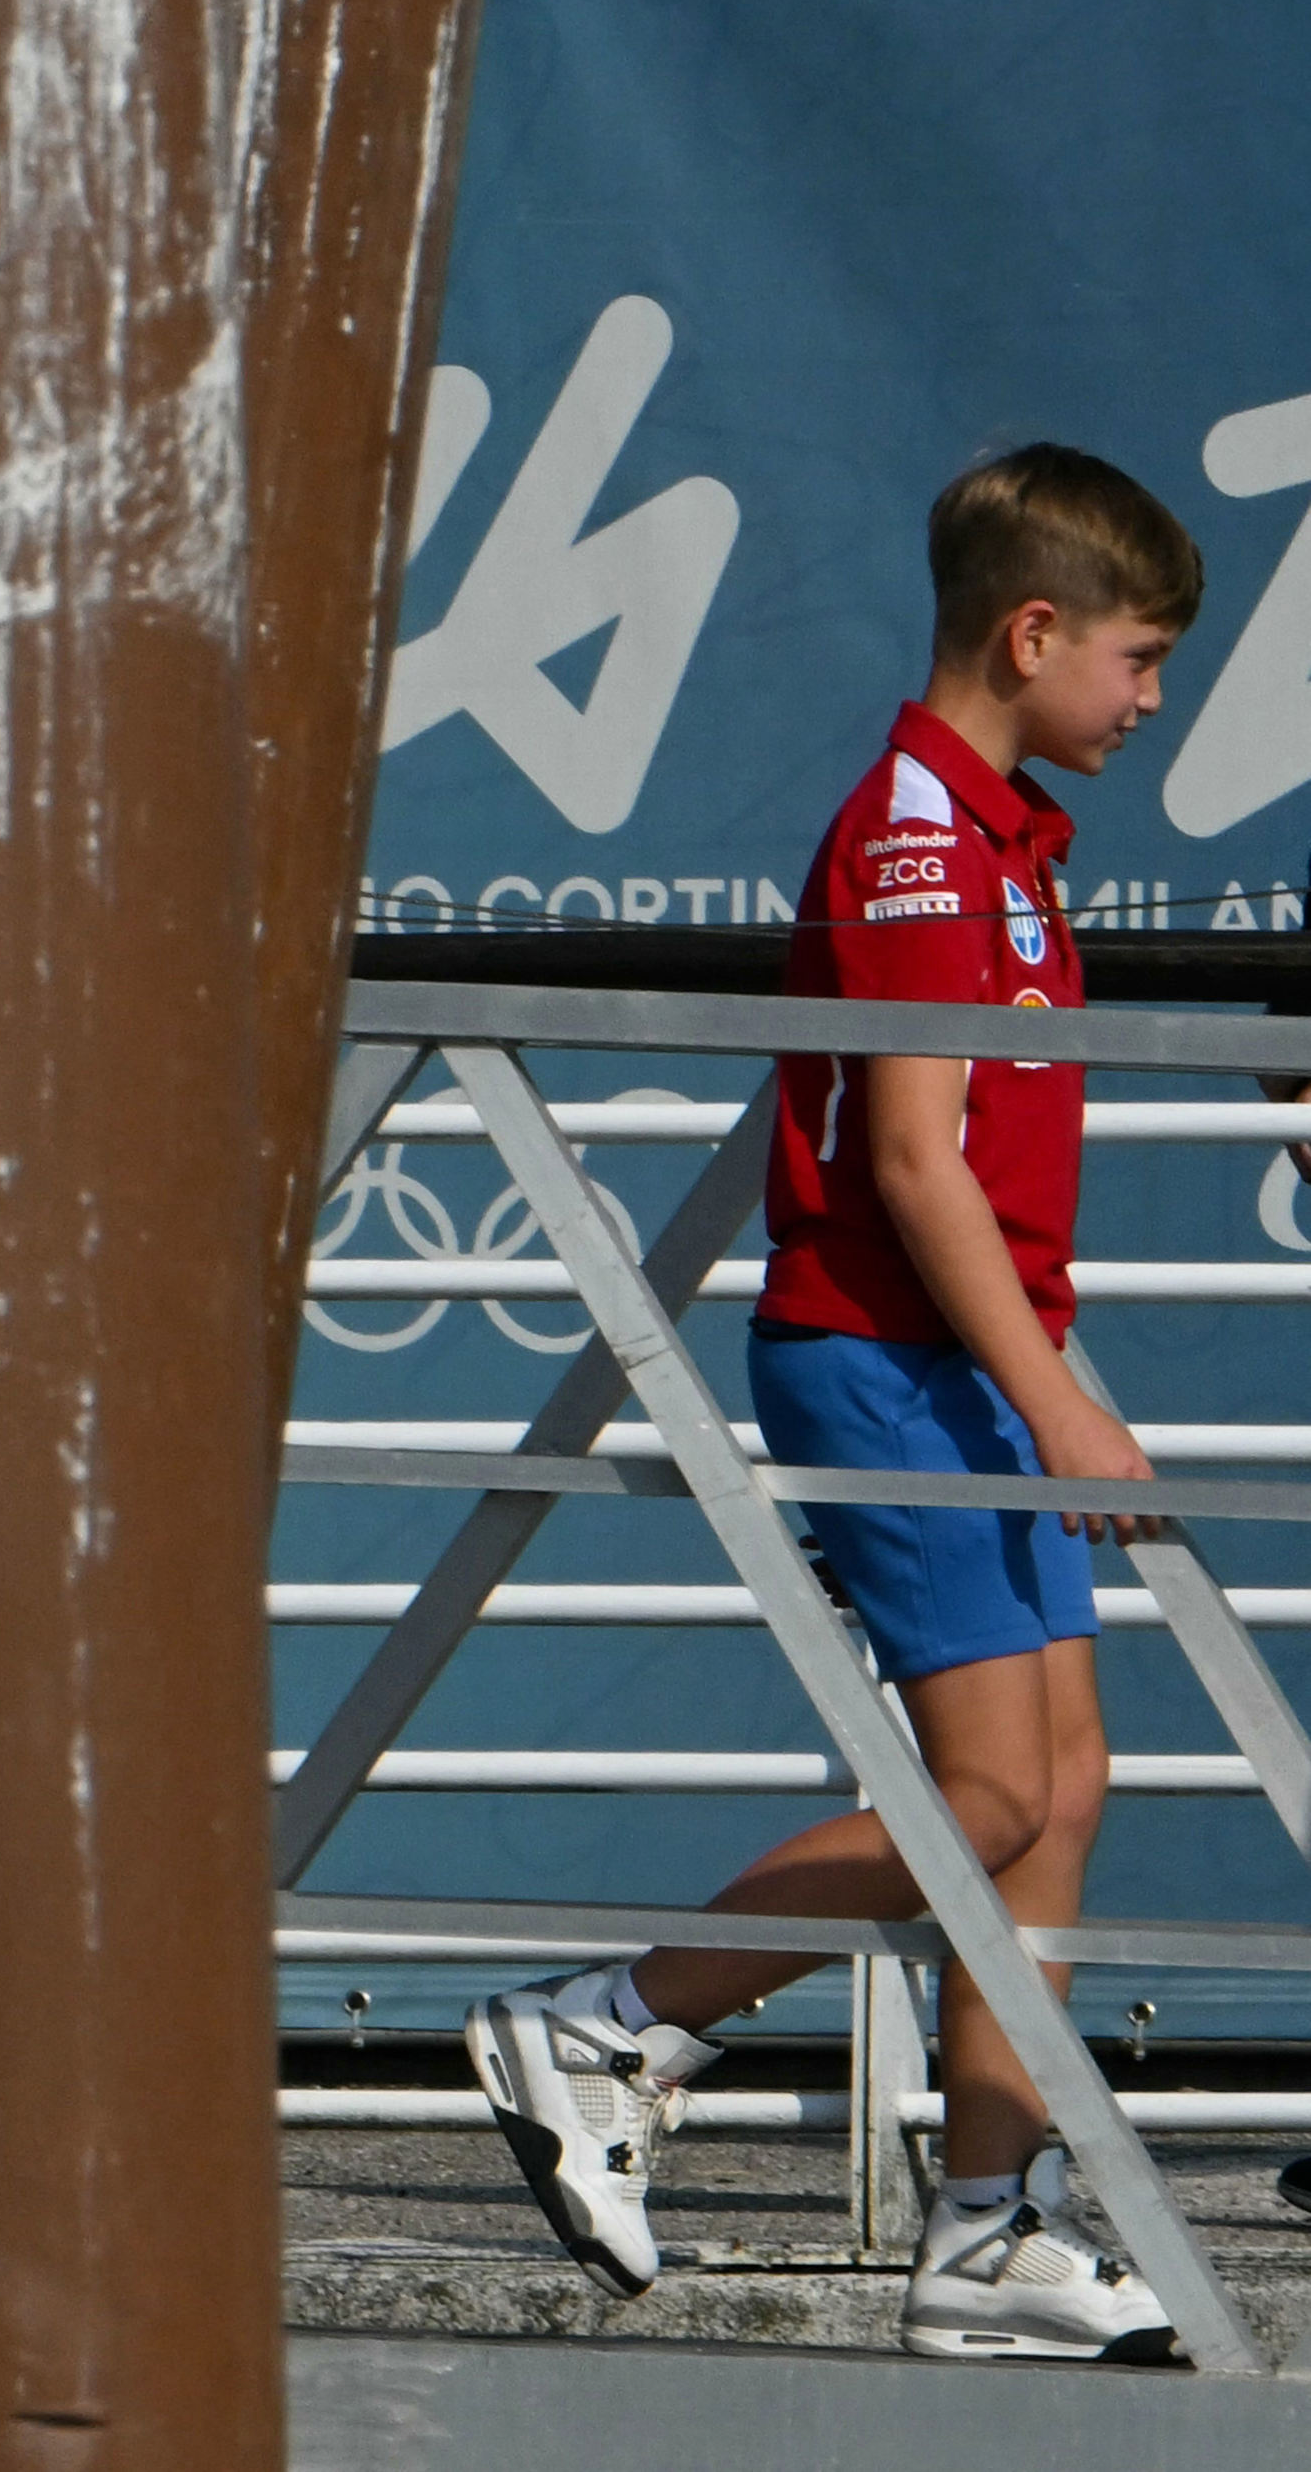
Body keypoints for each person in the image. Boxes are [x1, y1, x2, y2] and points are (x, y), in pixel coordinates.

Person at [464, 446, 1199, 2363]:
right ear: (1028, 634)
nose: (1147, 698)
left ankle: (988, 2232)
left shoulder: (1003, 831)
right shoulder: (914, 834)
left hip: (972, 1363)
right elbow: (908, 1159)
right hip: (891, 1365)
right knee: (985, 1794)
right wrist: (1059, 1406)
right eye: (1134, 658)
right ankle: (611, 2020)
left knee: (1061, 1793)